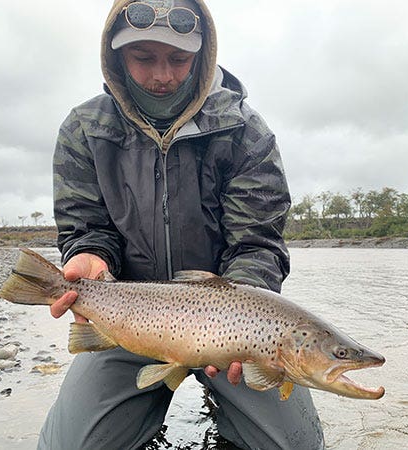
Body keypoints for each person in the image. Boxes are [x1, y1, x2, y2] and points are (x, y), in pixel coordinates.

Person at [39, 0, 324, 449]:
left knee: (296, 446)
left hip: (233, 327)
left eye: (178, 59)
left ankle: (224, 407)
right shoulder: (86, 129)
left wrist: (242, 324)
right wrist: (86, 255)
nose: (163, 76)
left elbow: (256, 243)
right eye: (143, 58)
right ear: (115, 57)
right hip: (131, 317)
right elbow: (85, 226)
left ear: (203, 55)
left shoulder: (245, 131)